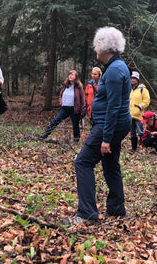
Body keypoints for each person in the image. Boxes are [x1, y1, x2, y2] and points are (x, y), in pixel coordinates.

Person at [69, 27, 131, 225]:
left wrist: (105, 138)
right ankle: (116, 208)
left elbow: (113, 107)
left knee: (83, 162)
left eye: (97, 44)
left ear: (106, 47)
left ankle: (86, 213)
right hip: (116, 124)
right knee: (110, 163)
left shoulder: (114, 71)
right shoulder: (117, 67)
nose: (95, 48)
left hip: (108, 125)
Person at [40, 70, 86, 142]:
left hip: (74, 109)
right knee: (55, 121)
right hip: (64, 108)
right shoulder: (65, 85)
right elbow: (60, 95)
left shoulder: (79, 87)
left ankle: (76, 140)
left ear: (76, 77)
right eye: (69, 74)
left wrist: (83, 110)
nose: (70, 76)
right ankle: (45, 134)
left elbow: (82, 99)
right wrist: (61, 103)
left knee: (75, 125)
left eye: (72, 75)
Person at [129, 71, 150, 152]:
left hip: (139, 115)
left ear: (137, 79)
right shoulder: (129, 89)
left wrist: (140, 106)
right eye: (131, 78)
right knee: (132, 133)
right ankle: (133, 148)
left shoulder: (142, 89)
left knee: (140, 132)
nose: (132, 80)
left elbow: (147, 100)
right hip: (130, 114)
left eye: (134, 78)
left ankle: (144, 148)